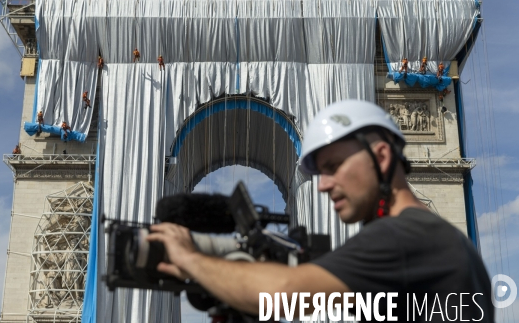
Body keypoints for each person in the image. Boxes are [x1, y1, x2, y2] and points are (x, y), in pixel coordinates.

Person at [148, 100, 493, 321]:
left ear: (382, 158)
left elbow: (283, 295)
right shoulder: (437, 240)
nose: (324, 185)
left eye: (334, 166)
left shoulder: (404, 237)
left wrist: (190, 257)